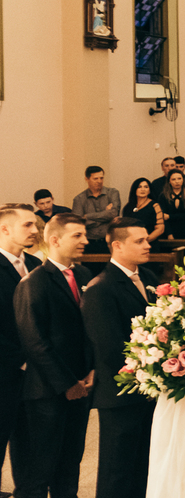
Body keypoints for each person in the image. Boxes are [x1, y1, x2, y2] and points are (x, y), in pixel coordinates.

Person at [11, 214, 94, 498]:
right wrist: (67, 383)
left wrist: (91, 371)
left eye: (85, 234)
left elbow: (90, 329)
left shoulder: (84, 275)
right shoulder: (34, 282)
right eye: (77, 235)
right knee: (39, 468)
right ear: (55, 240)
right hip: (47, 391)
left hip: (81, 385)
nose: (85, 241)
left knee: (70, 463)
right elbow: (34, 341)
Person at [81, 219, 157, 498]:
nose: (148, 245)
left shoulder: (148, 277)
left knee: (143, 467)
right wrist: (148, 373)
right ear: (117, 245)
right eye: (139, 241)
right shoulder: (101, 287)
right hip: (120, 393)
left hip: (150, 389)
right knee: (117, 470)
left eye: (147, 239)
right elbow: (110, 347)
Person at [0, 204, 41, 486]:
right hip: (5, 370)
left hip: (36, 374)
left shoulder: (37, 265)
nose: (35, 230)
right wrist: (23, 359)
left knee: (30, 446)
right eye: (27, 224)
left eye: (35, 224)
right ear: (5, 229)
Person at [72, 165, 120, 253]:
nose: (99, 181)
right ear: (87, 179)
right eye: (95, 178)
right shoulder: (79, 199)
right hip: (88, 242)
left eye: (101, 178)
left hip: (110, 241)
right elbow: (78, 223)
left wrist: (87, 216)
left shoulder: (112, 193)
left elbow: (113, 213)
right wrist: (106, 217)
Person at [122, 177, 165, 247]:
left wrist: (144, 241)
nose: (143, 189)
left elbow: (160, 229)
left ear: (149, 190)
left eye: (146, 187)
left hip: (149, 244)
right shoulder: (128, 207)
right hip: (131, 244)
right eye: (139, 187)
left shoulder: (155, 206)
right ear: (135, 189)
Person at [158, 169, 185, 240]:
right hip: (168, 231)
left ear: (183, 180)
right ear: (169, 181)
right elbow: (163, 217)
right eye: (173, 179)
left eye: (179, 178)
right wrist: (169, 234)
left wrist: (169, 216)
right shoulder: (163, 196)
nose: (177, 181)